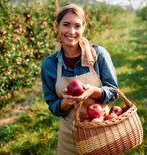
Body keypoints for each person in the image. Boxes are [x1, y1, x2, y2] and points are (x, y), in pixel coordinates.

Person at [40, 3, 118, 154]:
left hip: (101, 129)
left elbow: (113, 92)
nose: (72, 31)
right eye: (66, 25)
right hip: (70, 136)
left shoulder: (98, 55)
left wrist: (93, 91)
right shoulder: (49, 65)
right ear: (57, 26)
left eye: (77, 26)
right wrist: (65, 102)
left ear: (84, 27)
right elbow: (53, 105)